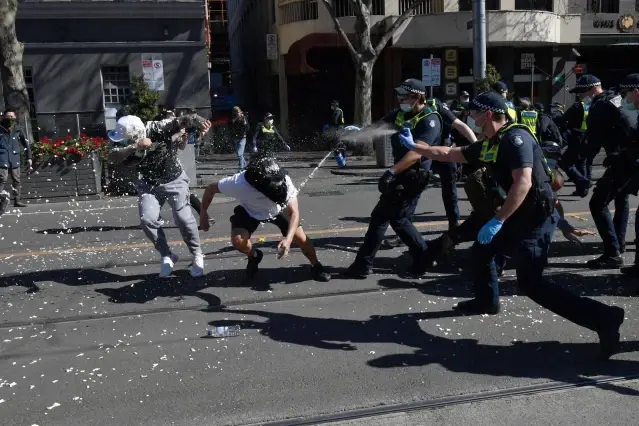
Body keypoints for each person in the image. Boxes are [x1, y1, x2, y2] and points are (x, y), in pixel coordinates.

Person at [399, 91, 625, 360]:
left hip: (535, 219)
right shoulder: (491, 142)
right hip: (519, 213)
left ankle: (604, 318)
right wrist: (419, 147)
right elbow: (450, 153)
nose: (470, 119)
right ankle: (486, 301)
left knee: (532, 283)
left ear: (490, 115)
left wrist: (498, 220)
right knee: (483, 251)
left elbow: (524, 182)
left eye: (474, 113)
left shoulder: (514, 139)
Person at [344, 78, 435, 278]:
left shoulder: (430, 120)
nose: (400, 98)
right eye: (399, 94)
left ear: (417, 96)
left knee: (387, 219)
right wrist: (351, 137)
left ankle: (364, 265)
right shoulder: (400, 114)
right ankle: (423, 258)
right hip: (400, 175)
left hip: (413, 176)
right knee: (396, 220)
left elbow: (417, 153)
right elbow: (378, 126)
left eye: (404, 94)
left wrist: (391, 172)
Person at [199, 156, 331, 283]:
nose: (278, 186)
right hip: (249, 210)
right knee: (238, 240)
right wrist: (203, 213)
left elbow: (294, 212)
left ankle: (316, 265)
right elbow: (210, 189)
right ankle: (254, 256)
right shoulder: (238, 183)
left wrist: (288, 240)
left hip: (279, 209)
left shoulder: (284, 179)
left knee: (302, 239)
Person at [107, 115, 205, 278]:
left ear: (137, 132)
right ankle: (167, 255)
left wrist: (198, 122)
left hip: (174, 180)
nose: (122, 141)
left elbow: (183, 120)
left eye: (127, 139)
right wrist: (134, 146)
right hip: (148, 184)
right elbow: (112, 157)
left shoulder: (157, 127)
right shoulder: (123, 140)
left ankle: (197, 254)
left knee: (183, 218)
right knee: (147, 220)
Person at [573, 74, 634, 268]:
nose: (581, 97)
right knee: (622, 198)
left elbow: (593, 142)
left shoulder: (600, 106)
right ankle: (619, 243)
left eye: (582, 92)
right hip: (630, 157)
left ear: (593, 89)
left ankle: (612, 253)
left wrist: (577, 160)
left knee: (597, 203)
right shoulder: (616, 98)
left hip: (621, 161)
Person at [558, 93, 590, 197]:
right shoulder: (590, 106)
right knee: (581, 163)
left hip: (576, 137)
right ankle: (582, 190)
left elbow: (564, 118)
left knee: (565, 162)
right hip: (587, 137)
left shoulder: (577, 106)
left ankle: (583, 181)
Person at [0, 109, 32, 207]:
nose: (10, 119)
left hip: (14, 157)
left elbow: (26, 143)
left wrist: (29, 157)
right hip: (2, 157)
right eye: (8, 117)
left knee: (17, 180)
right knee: (2, 179)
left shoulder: (18, 129)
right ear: (3, 117)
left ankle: (17, 200)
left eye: (12, 117)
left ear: (15, 117)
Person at [230, 106, 250, 171]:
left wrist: (244, 122)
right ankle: (244, 164)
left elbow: (248, 128)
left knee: (239, 153)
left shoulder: (244, 118)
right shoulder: (233, 118)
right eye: (236, 112)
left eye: (238, 111)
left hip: (242, 138)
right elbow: (230, 125)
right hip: (235, 137)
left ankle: (241, 168)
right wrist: (236, 118)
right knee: (239, 154)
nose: (237, 113)